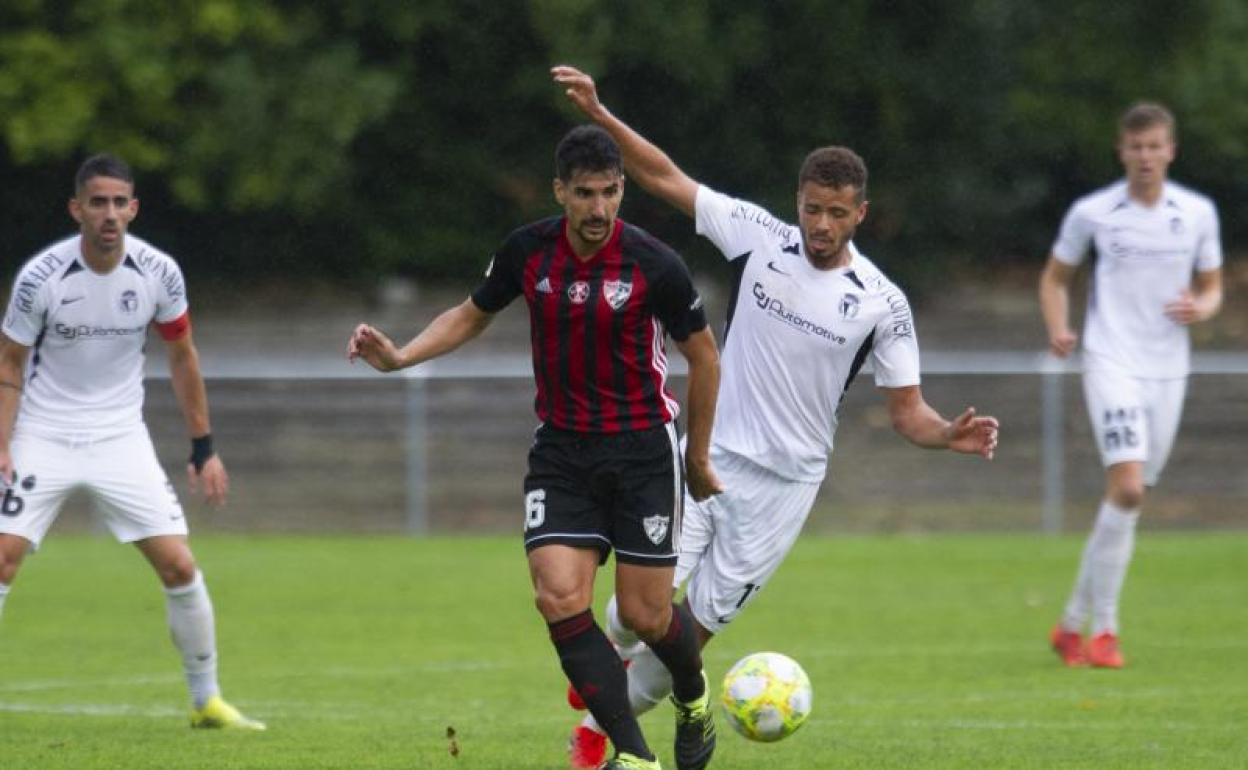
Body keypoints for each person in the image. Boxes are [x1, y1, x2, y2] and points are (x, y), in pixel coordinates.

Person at [552, 66, 1000, 768]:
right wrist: (603, 117)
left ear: (861, 213)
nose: (821, 225)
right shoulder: (761, 237)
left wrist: (948, 435)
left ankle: (598, 736)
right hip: (705, 456)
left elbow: (907, 411)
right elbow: (668, 177)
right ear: (799, 201)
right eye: (812, 208)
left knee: (686, 640)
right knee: (640, 606)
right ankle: (613, 652)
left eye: (837, 213)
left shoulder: (883, 303)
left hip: (782, 490)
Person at [347, 125, 722, 770]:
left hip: (642, 452)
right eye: (584, 194)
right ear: (560, 193)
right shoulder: (528, 252)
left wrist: (698, 454)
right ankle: (635, 757)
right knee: (558, 598)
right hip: (563, 451)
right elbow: (472, 312)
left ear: (623, 190)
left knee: (646, 614)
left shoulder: (655, 264)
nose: (599, 208)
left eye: (610, 193)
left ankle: (693, 698)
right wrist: (403, 356)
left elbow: (704, 356)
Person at [0, 154, 264, 730]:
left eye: (120, 203)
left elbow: (181, 354)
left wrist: (203, 447)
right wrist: (2, 443)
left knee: (178, 565)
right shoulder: (40, 277)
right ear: (77, 210)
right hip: (43, 432)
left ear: (134, 208)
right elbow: (10, 361)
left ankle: (207, 701)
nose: (110, 214)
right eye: (98, 202)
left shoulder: (158, 273)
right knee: (2, 557)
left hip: (120, 437)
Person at [1039, 102, 1222, 669]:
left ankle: (1070, 624)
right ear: (1122, 151)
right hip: (1110, 358)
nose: (1145, 156)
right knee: (1130, 489)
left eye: (1155, 146)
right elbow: (1054, 278)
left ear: (1171, 150)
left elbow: (1213, 286)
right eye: (1135, 147)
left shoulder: (1195, 213)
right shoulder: (1094, 213)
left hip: (1168, 367)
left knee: (1127, 498)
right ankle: (1106, 633)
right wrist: (1059, 327)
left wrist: (1202, 306)